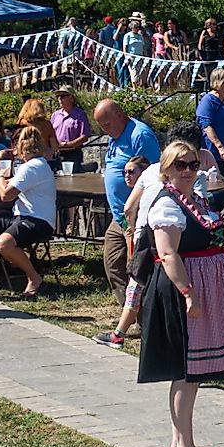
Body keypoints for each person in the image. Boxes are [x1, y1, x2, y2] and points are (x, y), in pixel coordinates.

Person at [138, 141, 224, 447]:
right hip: (182, 291)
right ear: (167, 170)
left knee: (189, 374)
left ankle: (179, 445)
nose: (187, 170)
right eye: (179, 166)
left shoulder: (190, 199)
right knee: (187, 373)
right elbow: (168, 255)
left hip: (197, 287)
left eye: (191, 164)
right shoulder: (166, 206)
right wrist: (189, 293)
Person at [0, 126, 55, 297]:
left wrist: (1, 175)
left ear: (21, 148)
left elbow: (6, 195)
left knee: (4, 243)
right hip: (20, 216)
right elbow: (12, 183)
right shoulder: (34, 165)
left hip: (37, 221)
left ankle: (34, 278)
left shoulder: (32, 167)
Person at [95, 99, 161, 306]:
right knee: (113, 262)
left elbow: (153, 174)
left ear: (119, 114)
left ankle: (142, 317)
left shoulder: (140, 135)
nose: (105, 130)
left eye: (106, 124)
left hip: (136, 214)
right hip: (119, 216)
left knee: (137, 268)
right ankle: (129, 311)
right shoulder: (114, 137)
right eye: (101, 126)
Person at [196, 68, 224, 187]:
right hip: (216, 154)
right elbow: (206, 126)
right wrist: (220, 147)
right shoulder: (207, 101)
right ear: (219, 82)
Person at [50, 85, 92, 165]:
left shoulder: (80, 114)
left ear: (71, 98)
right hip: (57, 154)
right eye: (58, 96)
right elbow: (49, 133)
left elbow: (85, 136)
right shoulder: (55, 115)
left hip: (73, 154)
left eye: (62, 96)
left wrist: (69, 145)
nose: (60, 99)